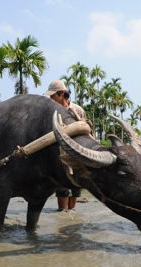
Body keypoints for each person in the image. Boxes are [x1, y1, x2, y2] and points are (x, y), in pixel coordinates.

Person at [45, 80, 86, 211]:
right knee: (62, 190)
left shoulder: (77, 110)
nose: (51, 99)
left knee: (75, 189)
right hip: (60, 156)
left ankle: (70, 217)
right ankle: (62, 214)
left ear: (62, 94)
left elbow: (85, 131)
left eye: (53, 96)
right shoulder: (52, 113)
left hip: (77, 155)